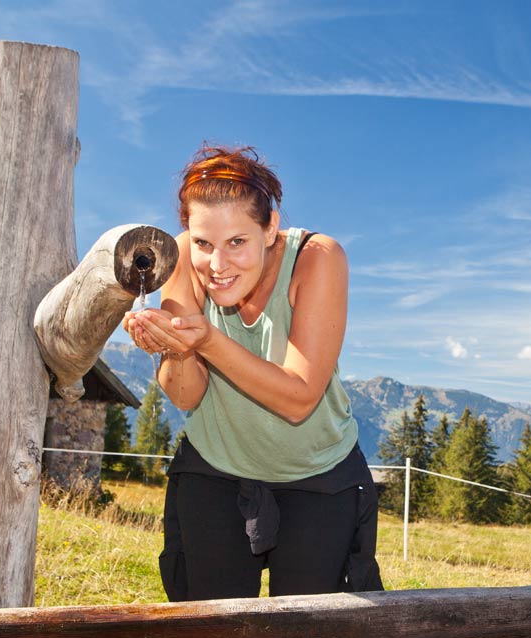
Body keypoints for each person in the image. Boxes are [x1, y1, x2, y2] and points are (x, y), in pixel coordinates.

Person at [123, 145, 383, 601]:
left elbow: (299, 399)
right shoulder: (181, 256)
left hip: (318, 477)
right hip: (215, 470)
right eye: (204, 243)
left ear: (270, 228)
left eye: (237, 242)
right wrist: (174, 347)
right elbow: (185, 396)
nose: (217, 266)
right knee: (209, 637)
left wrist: (205, 340)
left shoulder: (318, 257)